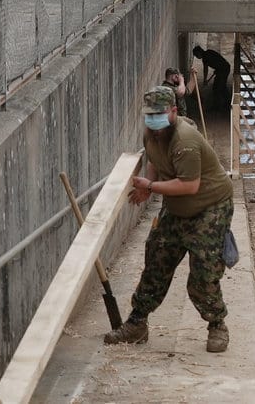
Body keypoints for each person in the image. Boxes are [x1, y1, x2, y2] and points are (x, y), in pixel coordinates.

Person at [104, 86, 234, 353]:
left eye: (159, 114)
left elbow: (189, 186)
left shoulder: (185, 140)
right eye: (149, 114)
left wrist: (150, 188)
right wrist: (148, 182)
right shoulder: (151, 133)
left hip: (210, 207)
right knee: (156, 260)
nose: (153, 120)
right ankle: (137, 323)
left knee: (203, 274)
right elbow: (155, 161)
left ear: (173, 111)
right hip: (177, 208)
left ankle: (217, 324)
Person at [192, 45, 232, 112]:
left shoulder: (205, 58)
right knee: (219, 87)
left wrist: (205, 80)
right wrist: (217, 69)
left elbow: (205, 69)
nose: (197, 57)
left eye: (196, 56)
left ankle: (220, 106)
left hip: (223, 69)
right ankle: (225, 104)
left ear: (199, 53)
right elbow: (218, 60)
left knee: (218, 88)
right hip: (223, 68)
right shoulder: (209, 51)